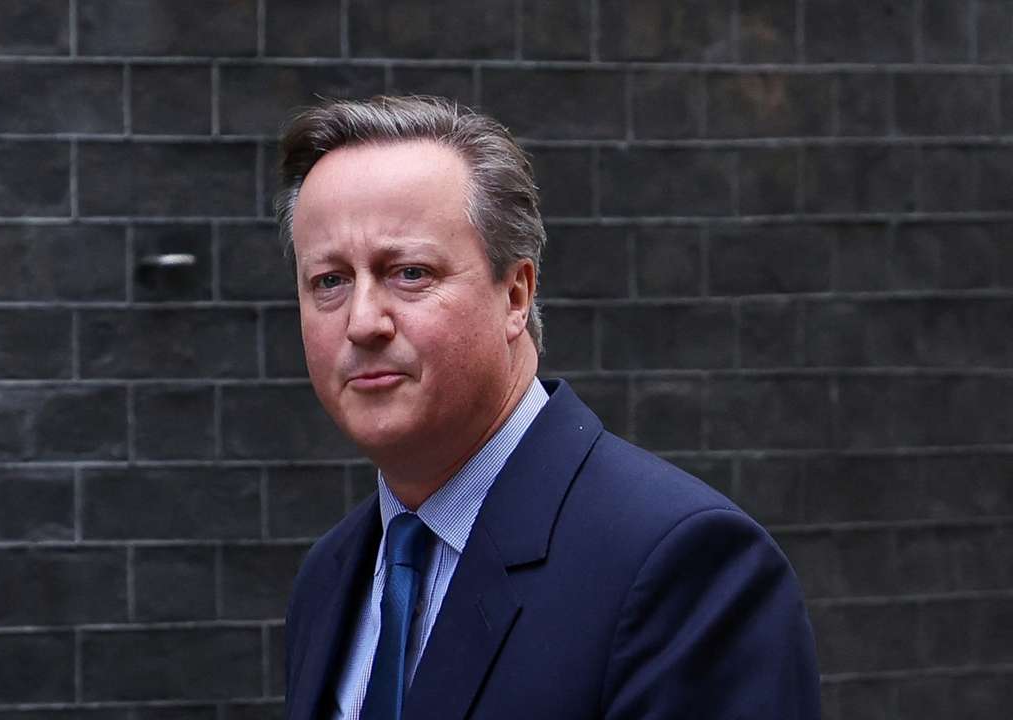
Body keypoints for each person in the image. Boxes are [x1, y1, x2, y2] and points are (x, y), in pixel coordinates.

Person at [276, 95, 819, 720]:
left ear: (515, 294)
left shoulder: (683, 567)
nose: (363, 321)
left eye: (410, 273)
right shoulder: (331, 576)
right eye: (329, 281)